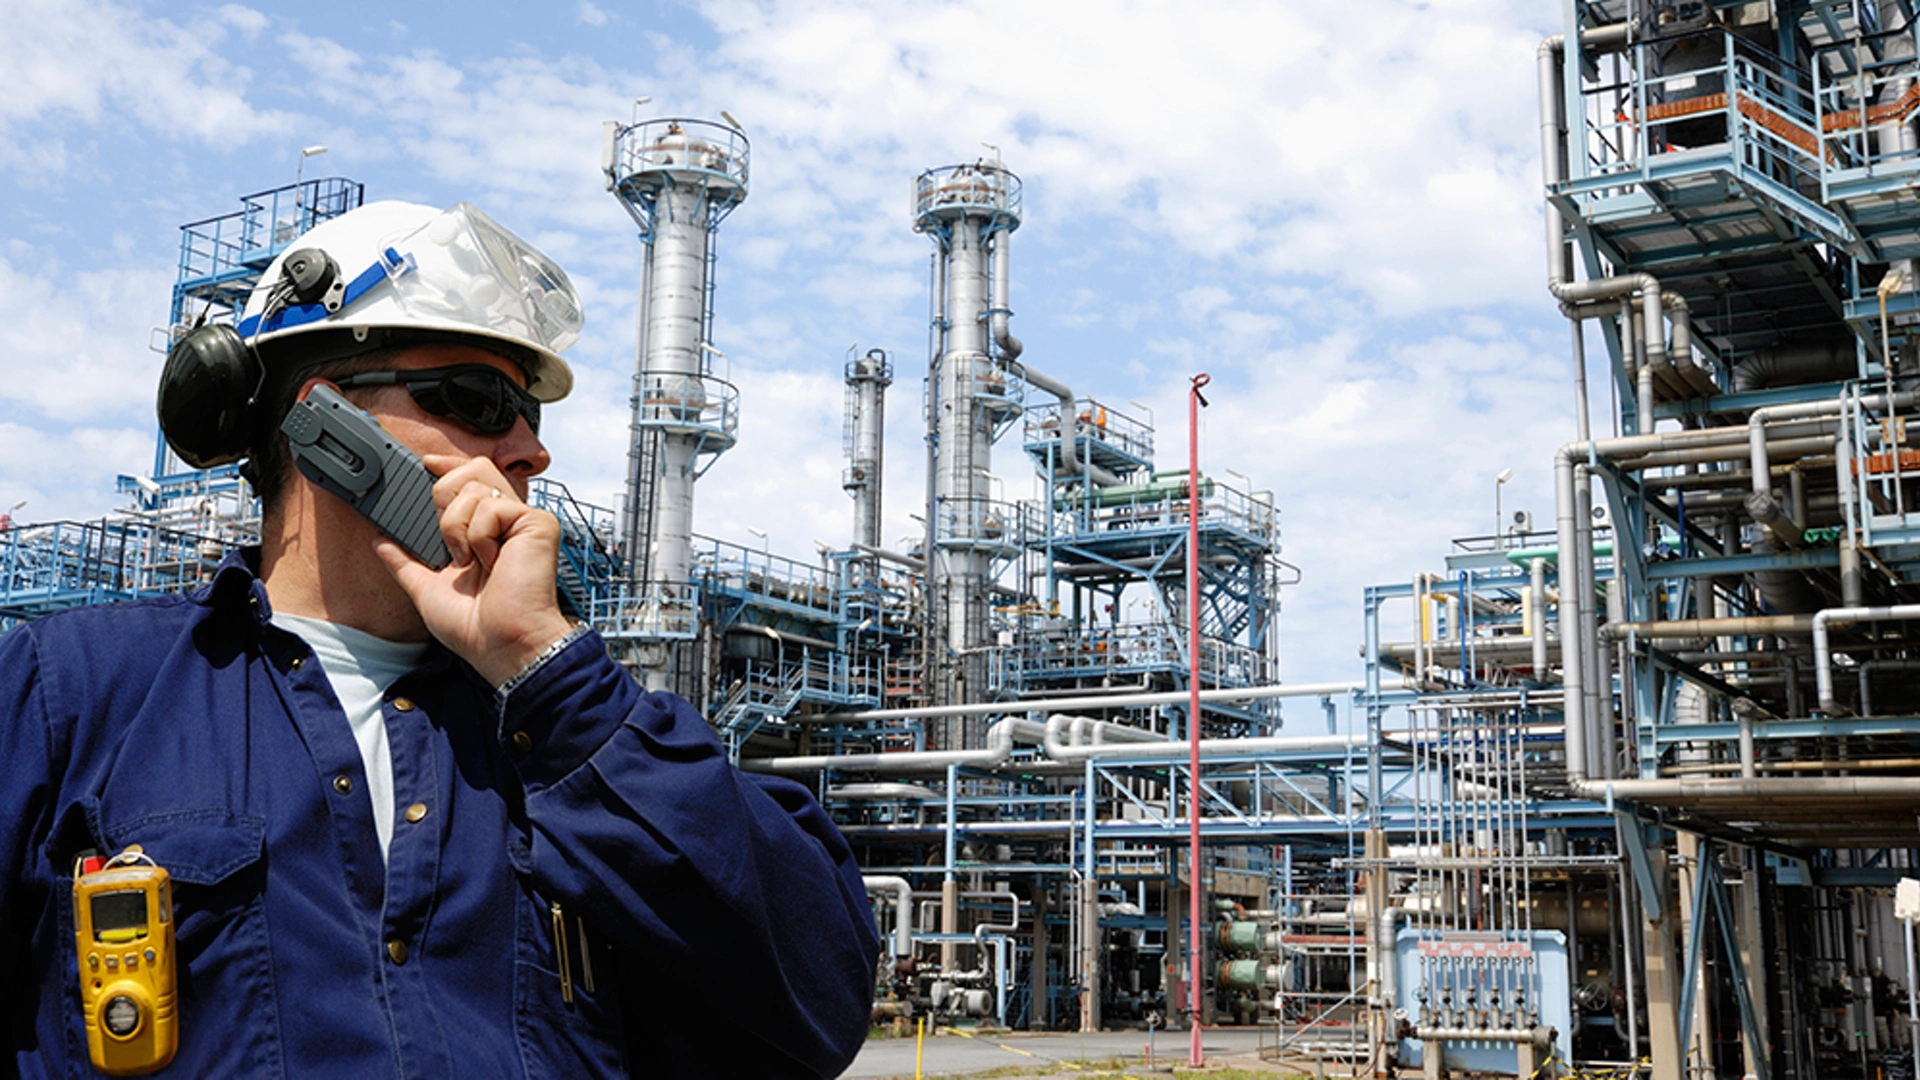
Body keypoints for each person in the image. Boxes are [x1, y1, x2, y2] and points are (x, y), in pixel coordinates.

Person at [0, 200, 879, 1078]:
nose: (530, 448)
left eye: (531, 412)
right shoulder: (69, 698)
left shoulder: (576, 743)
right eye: (480, 398)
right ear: (327, 425)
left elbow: (820, 1004)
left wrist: (550, 676)